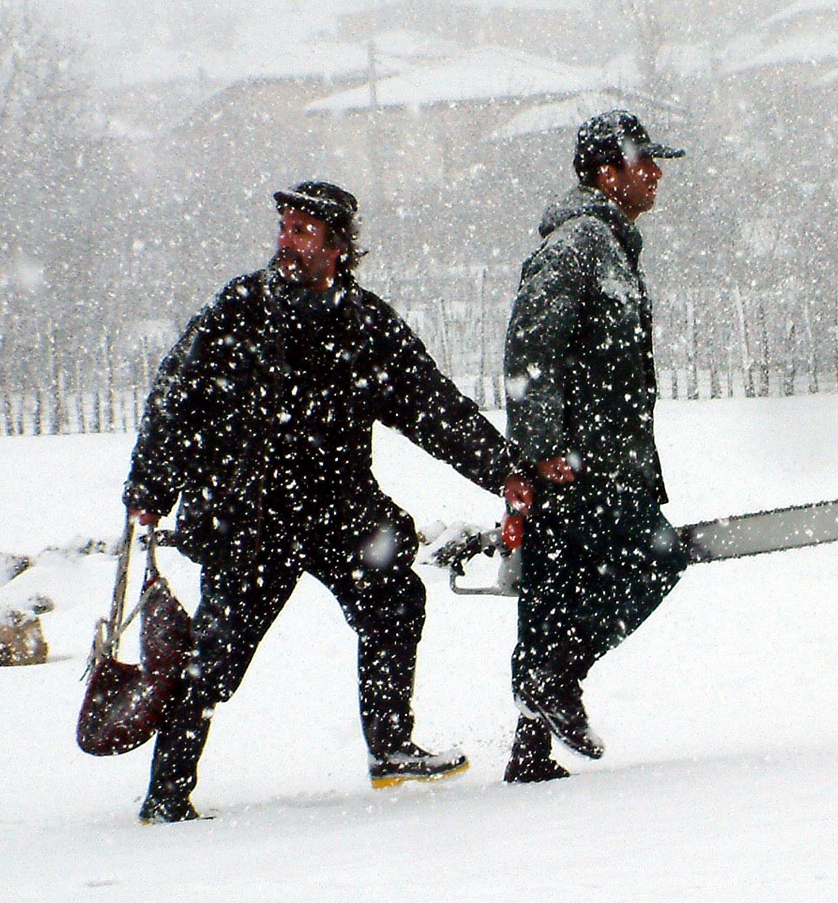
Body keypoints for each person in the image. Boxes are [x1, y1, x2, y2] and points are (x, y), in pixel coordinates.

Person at [123, 179, 531, 822]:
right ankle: (167, 792)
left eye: (303, 231)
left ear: (338, 246)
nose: (287, 242)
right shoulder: (242, 308)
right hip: (250, 514)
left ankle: (391, 747)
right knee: (215, 654)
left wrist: (504, 470)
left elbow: (435, 407)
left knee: (396, 599)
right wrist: (151, 487)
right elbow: (177, 397)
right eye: (284, 228)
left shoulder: (366, 325)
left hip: (339, 511)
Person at [500, 111, 690, 783]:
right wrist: (543, 444)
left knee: (555, 593)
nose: (657, 174)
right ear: (608, 174)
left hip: (601, 459)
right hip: (582, 463)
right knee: (656, 555)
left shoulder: (608, 243)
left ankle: (530, 749)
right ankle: (554, 682)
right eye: (646, 162)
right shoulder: (580, 244)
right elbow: (531, 346)